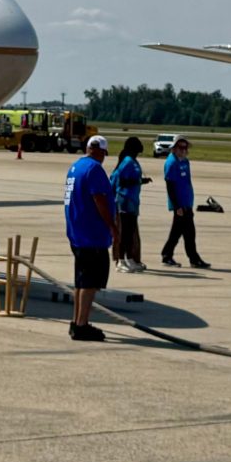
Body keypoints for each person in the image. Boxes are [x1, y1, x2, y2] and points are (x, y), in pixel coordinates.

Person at [62, 135, 118, 342]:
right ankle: (82, 325)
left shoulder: (76, 167)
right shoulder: (94, 169)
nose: (103, 158)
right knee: (89, 283)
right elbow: (99, 199)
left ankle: (77, 322)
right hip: (91, 235)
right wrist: (112, 226)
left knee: (81, 281)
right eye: (104, 153)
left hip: (77, 232)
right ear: (99, 151)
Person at [157, 135, 206, 268]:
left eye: (185, 147)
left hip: (187, 202)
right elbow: (170, 186)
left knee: (178, 231)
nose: (183, 150)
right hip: (180, 204)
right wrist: (176, 205)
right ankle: (193, 259)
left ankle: (167, 254)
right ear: (174, 148)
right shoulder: (171, 163)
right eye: (181, 147)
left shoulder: (185, 162)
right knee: (189, 232)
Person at [110, 138, 147, 275]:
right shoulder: (127, 162)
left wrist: (142, 181)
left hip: (133, 201)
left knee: (130, 232)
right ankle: (120, 261)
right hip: (125, 200)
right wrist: (137, 180)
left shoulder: (134, 161)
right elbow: (122, 180)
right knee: (124, 232)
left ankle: (130, 258)